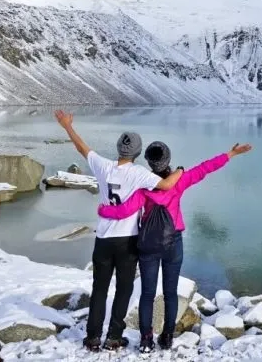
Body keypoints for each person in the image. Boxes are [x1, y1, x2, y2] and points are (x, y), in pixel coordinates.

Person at [98, 140, 253, 353]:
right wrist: (231, 154)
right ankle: (167, 335)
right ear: (168, 160)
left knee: (147, 293)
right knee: (170, 292)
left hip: (148, 245)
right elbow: (205, 168)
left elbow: (125, 211)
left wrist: (103, 211)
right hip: (173, 242)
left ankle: (145, 339)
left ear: (150, 163)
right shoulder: (179, 181)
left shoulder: (144, 185)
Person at [54, 110, 183, 352]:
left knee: (99, 288)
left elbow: (82, 148)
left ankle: (92, 337)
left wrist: (67, 126)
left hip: (103, 239)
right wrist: (181, 171)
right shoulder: (139, 173)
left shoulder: (102, 166)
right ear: (136, 152)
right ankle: (114, 337)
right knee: (124, 288)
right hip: (127, 240)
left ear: (118, 148)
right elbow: (166, 184)